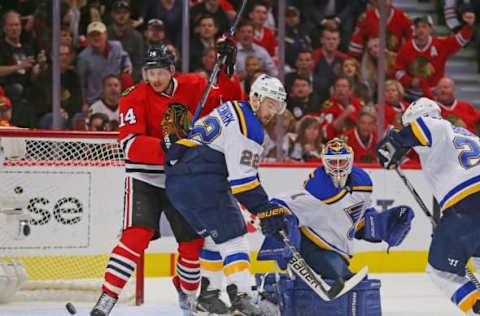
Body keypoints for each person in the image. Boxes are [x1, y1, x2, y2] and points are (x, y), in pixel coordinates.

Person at [90, 40, 238, 316]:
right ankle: (106, 300)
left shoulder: (194, 85)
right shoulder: (132, 96)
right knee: (136, 236)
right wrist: (166, 146)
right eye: (150, 73)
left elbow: (229, 104)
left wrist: (228, 70)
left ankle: (186, 295)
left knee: (192, 244)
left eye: (160, 72)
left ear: (171, 70)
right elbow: (129, 145)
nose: (154, 78)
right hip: (144, 177)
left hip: (180, 179)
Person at [164, 74, 290, 316]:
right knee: (235, 238)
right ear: (255, 98)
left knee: (215, 238)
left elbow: (244, 175)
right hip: (203, 180)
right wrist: (265, 209)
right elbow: (243, 183)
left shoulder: (232, 107)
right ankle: (242, 298)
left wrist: (262, 206)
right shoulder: (250, 127)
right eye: (270, 103)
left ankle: (208, 297)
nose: (272, 112)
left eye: (277, 106)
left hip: (178, 182)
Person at [257, 138, 413, 313]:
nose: (338, 167)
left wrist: (383, 225)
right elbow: (282, 203)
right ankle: (272, 297)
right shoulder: (317, 192)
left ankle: (272, 293)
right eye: (333, 162)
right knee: (344, 281)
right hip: (311, 245)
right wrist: (273, 212)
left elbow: (357, 221)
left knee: (353, 283)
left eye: (342, 161)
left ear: (351, 161)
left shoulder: (361, 188)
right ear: (324, 163)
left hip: (337, 251)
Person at [376, 97, 480, 315]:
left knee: (439, 270)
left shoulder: (435, 126)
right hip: (469, 206)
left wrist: (393, 142)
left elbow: (419, 128)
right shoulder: (464, 135)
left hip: (468, 204)